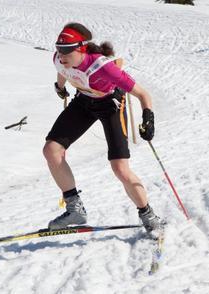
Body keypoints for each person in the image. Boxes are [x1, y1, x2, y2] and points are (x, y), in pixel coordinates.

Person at [43, 22, 162, 234]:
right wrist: (59, 88)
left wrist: (148, 118)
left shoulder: (103, 67)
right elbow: (62, 70)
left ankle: (148, 215)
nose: (61, 56)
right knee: (51, 150)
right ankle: (74, 209)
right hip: (83, 102)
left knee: (120, 169)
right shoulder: (59, 59)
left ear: (81, 49)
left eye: (66, 52)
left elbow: (143, 94)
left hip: (110, 106)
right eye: (59, 50)